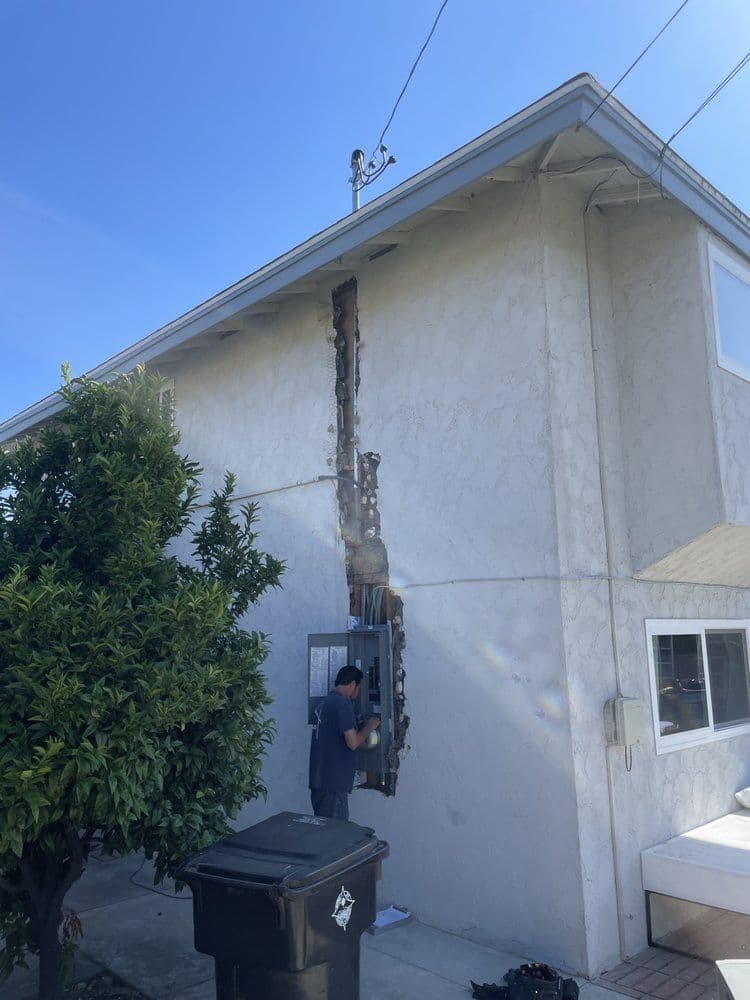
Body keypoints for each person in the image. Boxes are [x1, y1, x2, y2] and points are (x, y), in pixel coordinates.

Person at [309, 665, 381, 820]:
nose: (358, 691)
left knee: (324, 832)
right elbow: (353, 743)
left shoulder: (324, 703)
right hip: (334, 785)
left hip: (319, 781)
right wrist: (370, 726)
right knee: (336, 837)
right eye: (358, 687)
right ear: (353, 684)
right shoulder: (343, 704)